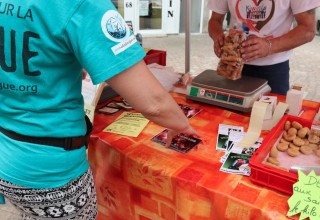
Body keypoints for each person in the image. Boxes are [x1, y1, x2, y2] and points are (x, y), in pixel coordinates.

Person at [0, 1, 198, 219]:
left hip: (8, 153)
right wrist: (183, 124)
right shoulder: (83, 4)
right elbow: (154, 104)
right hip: (52, 172)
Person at [207, 0, 320, 95]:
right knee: (227, 117)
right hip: (231, 66)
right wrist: (218, 36)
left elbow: (308, 30)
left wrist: (269, 46)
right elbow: (215, 20)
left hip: (273, 70)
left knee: (270, 119)